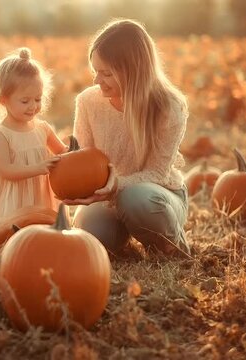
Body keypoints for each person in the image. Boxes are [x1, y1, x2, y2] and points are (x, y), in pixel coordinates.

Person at [65, 19, 191, 257]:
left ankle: (169, 246)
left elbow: (157, 173)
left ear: (133, 71)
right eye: (95, 71)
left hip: (156, 196)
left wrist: (116, 186)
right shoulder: (87, 102)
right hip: (106, 197)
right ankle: (122, 240)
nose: (96, 81)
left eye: (106, 73)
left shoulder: (169, 108)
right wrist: (74, 185)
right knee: (92, 237)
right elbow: (82, 159)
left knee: (135, 199)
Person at [0, 47, 66, 255]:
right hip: (8, 198)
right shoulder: (0, 134)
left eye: (38, 99)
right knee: (7, 240)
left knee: (38, 239)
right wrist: (38, 167)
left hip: (37, 195)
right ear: (4, 100)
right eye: (25, 101)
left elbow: (62, 152)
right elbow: (6, 170)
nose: (33, 106)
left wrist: (75, 153)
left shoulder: (43, 129)